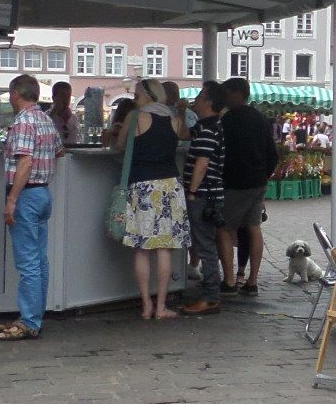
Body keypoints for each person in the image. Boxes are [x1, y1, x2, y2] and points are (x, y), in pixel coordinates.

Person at [114, 78, 189, 320]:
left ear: (148, 95)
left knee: (142, 249)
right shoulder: (175, 120)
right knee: (164, 248)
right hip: (170, 185)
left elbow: (121, 145)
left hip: (142, 185)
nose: (135, 97)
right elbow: (186, 137)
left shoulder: (135, 117)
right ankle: (161, 306)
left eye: (137, 93)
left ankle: (146, 304)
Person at [0, 73, 61, 342]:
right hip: (43, 193)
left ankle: (30, 321)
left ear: (15, 95)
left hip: (26, 195)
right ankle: (34, 316)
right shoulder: (45, 119)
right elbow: (60, 151)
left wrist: (11, 200)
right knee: (40, 260)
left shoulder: (23, 122)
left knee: (28, 262)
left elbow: (25, 163)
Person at [218, 77, 276, 295]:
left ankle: (230, 280)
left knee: (224, 228)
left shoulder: (228, 120)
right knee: (253, 228)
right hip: (258, 182)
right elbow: (272, 153)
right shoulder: (260, 118)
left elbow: (222, 153)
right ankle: (252, 281)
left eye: (226, 93)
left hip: (236, 183)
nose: (224, 98)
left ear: (236, 94)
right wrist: (263, 175)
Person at [180, 81, 228, 316]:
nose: (196, 100)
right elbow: (182, 134)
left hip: (204, 195)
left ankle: (210, 297)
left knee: (205, 245)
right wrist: (180, 113)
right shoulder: (204, 126)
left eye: (200, 96)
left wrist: (192, 191)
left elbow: (202, 162)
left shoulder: (209, 130)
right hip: (208, 194)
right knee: (205, 243)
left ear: (209, 101)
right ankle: (210, 294)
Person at [47, 81, 77, 150]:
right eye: (62, 95)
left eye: (68, 96)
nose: (65, 99)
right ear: (54, 97)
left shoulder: (73, 118)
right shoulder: (46, 118)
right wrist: (54, 112)